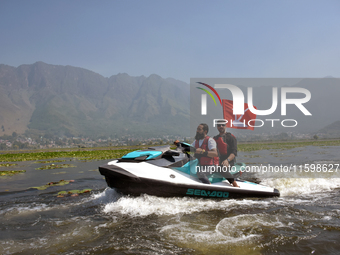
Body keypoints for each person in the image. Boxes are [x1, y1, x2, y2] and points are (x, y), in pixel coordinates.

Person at [213, 121, 239, 187]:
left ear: (226, 126)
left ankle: (234, 183)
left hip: (229, 161)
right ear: (217, 127)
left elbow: (234, 152)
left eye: (223, 125)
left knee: (221, 169)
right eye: (219, 125)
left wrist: (227, 160)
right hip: (217, 160)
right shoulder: (214, 138)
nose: (221, 126)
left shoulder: (231, 138)